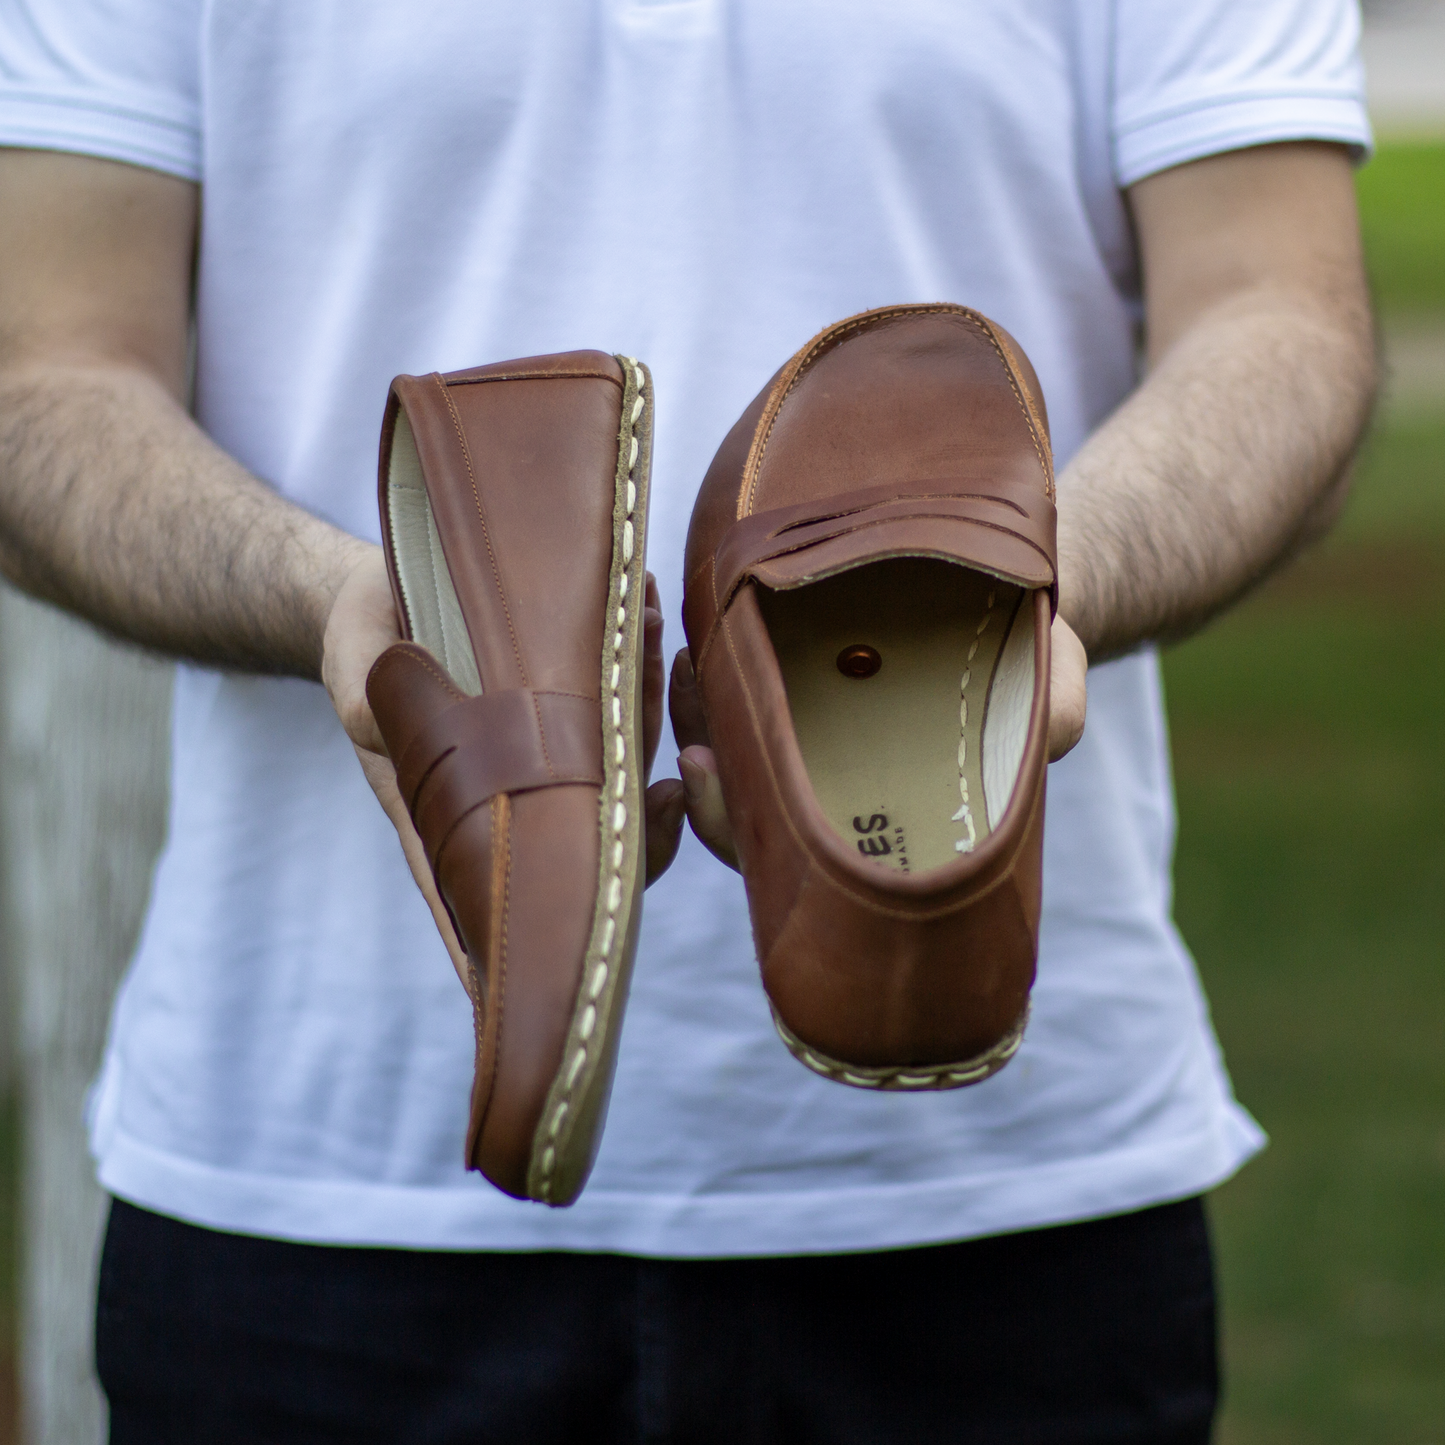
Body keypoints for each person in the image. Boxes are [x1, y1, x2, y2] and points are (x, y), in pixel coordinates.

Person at [0, 1, 1374, 1440]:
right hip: (310, 1187)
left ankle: (604, 630)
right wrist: (336, 603)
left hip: (1013, 1203)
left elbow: (1280, 315)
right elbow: (49, 380)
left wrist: (1017, 582)